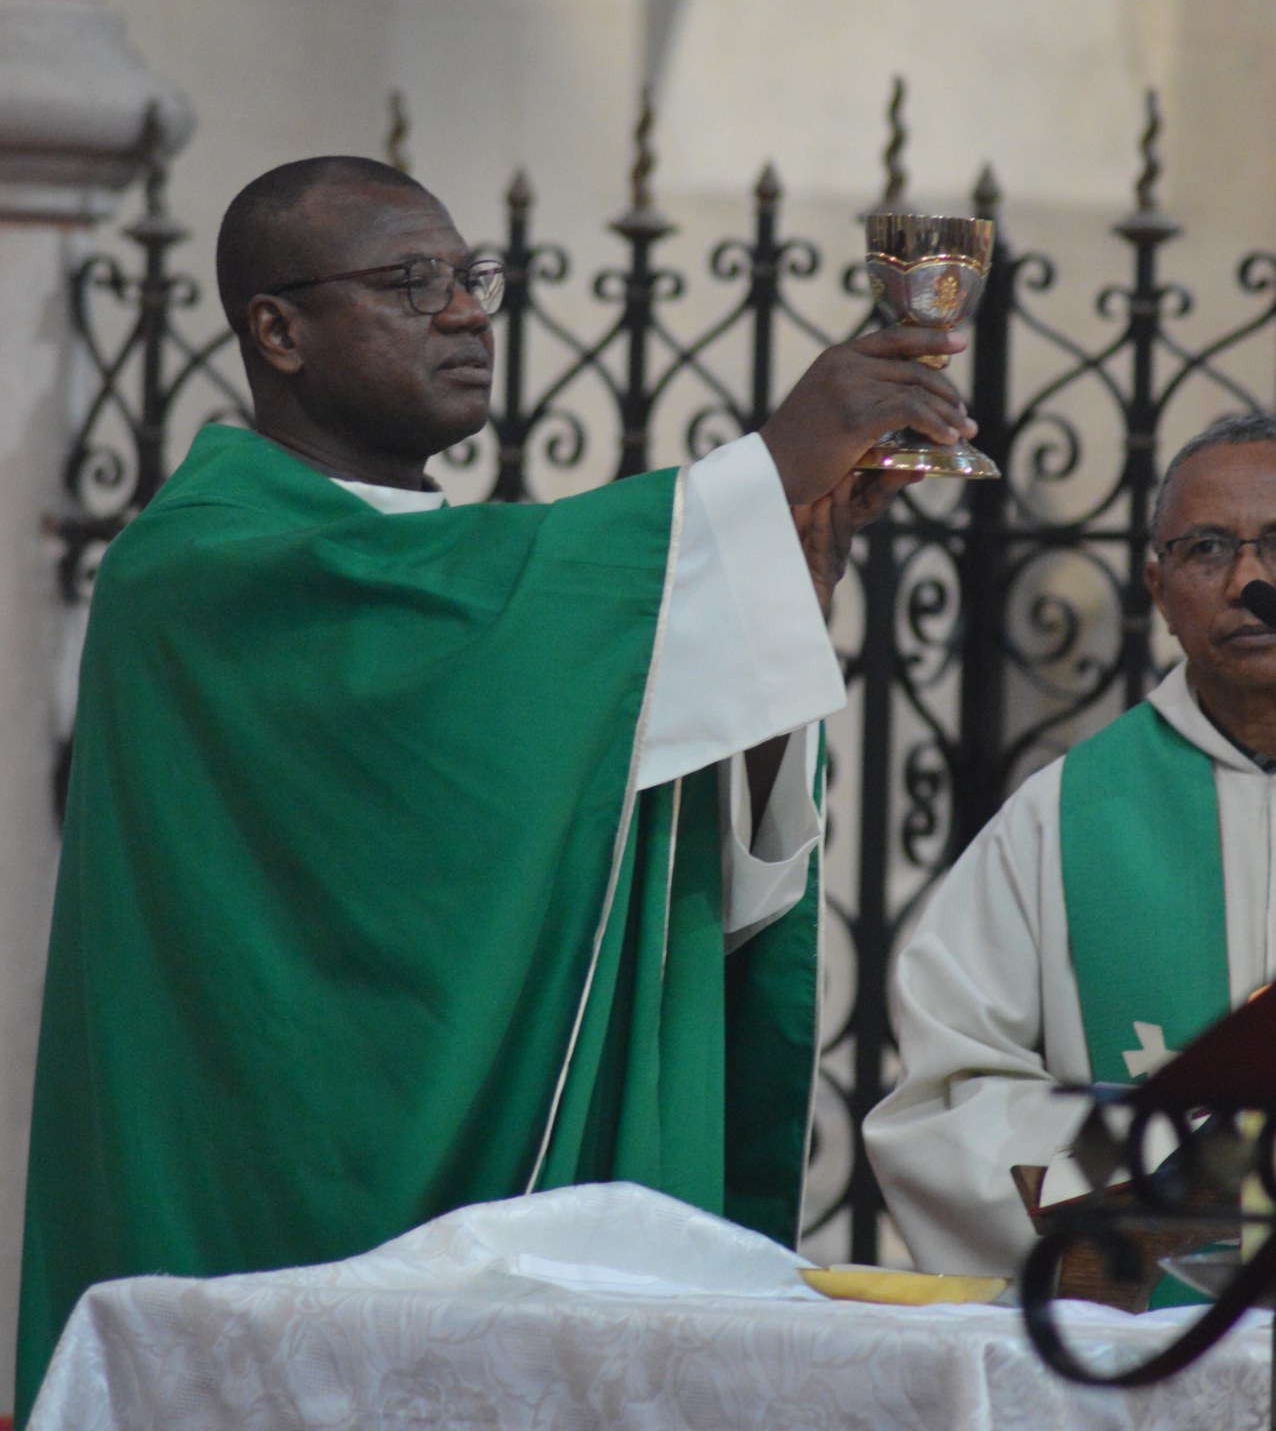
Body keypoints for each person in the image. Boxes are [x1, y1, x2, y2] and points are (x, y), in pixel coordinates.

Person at [16, 155, 977, 1422]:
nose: (466, 310)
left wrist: (772, 579)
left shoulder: (447, 572)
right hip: (258, 1216)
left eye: (473, 275)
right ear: (277, 329)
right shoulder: (197, 567)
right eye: (410, 281)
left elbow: (638, 850)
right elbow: (447, 708)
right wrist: (758, 475)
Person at [864, 412, 1276, 1277]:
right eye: (1207, 549)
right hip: (1138, 1335)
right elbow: (949, 1101)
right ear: (1157, 590)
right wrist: (1162, 1163)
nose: (1248, 577)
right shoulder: (1062, 818)